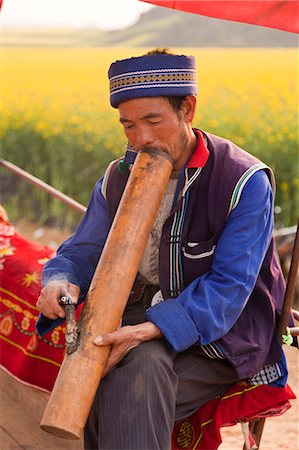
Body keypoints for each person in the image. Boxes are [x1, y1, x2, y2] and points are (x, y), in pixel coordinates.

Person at [36, 49, 290, 450]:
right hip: (138, 317)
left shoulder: (243, 180)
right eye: (128, 126)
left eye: (153, 121)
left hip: (222, 335)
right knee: (122, 369)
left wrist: (154, 328)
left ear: (188, 109)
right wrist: (60, 279)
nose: (142, 139)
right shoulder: (117, 177)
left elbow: (229, 288)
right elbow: (82, 250)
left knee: (130, 377)